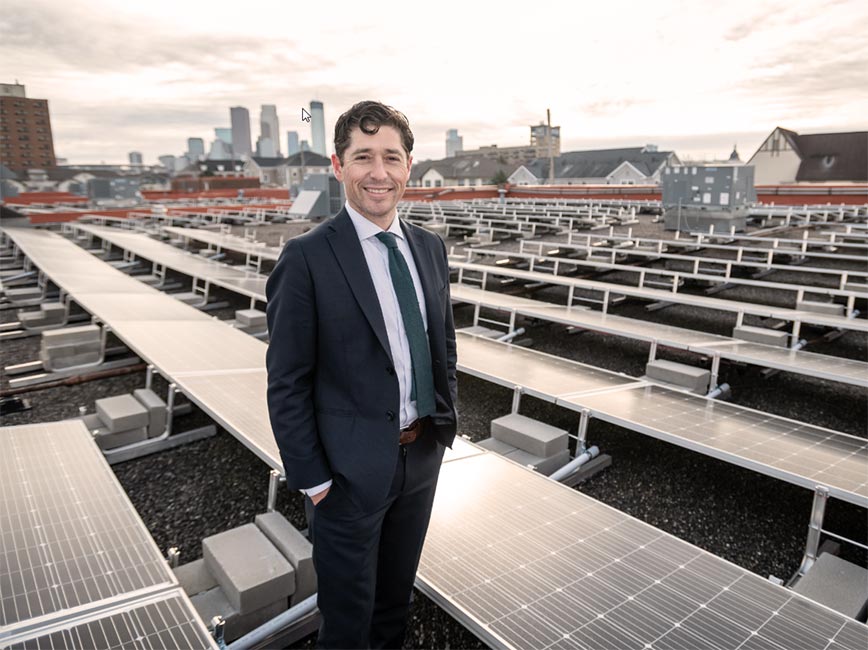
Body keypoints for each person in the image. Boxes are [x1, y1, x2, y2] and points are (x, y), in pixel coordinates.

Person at [265, 100, 458, 649]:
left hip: (420, 457)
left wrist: (441, 429)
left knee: (395, 604)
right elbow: (287, 381)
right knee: (348, 621)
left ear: (409, 166)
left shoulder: (429, 248)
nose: (379, 173)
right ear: (338, 165)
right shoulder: (306, 258)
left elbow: (443, 345)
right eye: (363, 157)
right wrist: (316, 481)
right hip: (346, 478)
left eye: (392, 158)